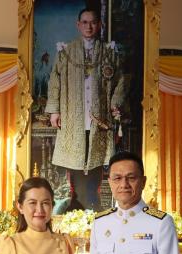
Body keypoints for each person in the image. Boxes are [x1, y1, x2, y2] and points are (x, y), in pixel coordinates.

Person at [45, 8, 125, 211]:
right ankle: (76, 207)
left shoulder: (109, 52)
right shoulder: (66, 52)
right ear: (78, 25)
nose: (89, 27)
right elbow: (54, 82)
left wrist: (115, 105)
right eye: (85, 22)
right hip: (73, 119)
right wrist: (54, 111)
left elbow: (121, 81)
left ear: (99, 25)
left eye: (93, 22)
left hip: (99, 121)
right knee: (76, 164)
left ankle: (94, 207)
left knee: (96, 164)